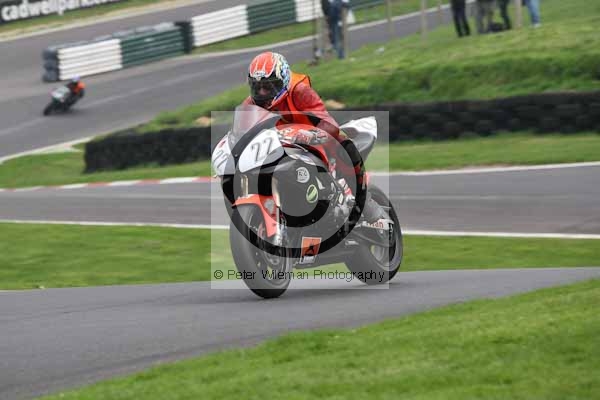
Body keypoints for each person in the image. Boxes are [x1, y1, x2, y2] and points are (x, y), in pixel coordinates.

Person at [242, 51, 384, 223]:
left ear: (283, 80)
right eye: (257, 87)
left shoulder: (300, 91)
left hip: (312, 140)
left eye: (268, 86)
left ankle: (363, 198)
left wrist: (312, 134)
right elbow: (241, 133)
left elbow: (327, 123)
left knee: (341, 142)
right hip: (280, 148)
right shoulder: (250, 104)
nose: (263, 92)